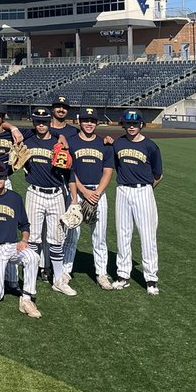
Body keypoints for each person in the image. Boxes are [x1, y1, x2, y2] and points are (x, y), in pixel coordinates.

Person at [19, 107, 76, 297]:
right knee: (33, 238)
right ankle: (30, 275)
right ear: (33, 122)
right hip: (34, 192)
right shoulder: (27, 139)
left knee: (56, 238)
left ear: (49, 122)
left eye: (44, 121)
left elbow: (69, 173)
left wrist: (74, 198)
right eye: (37, 121)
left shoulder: (58, 142)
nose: (40, 124)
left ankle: (58, 279)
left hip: (56, 193)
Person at [0, 163, 41, 317]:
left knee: (32, 256)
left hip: (12, 247)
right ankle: (0, 283)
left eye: (1, 176)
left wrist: (24, 240)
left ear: (6, 177)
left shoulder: (15, 198)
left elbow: (24, 224)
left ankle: (26, 299)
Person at [111, 110, 162, 295]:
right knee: (122, 233)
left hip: (143, 190)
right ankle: (123, 275)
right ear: (123, 124)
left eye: (135, 123)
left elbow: (158, 175)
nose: (131, 126)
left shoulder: (150, 146)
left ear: (141, 124)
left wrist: (146, 190)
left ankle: (151, 278)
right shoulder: (118, 143)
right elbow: (116, 166)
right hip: (123, 190)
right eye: (128, 123)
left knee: (147, 235)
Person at [64, 107, 115, 289]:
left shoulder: (105, 144)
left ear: (97, 123)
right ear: (79, 122)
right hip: (77, 193)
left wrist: (97, 193)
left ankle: (101, 274)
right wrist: (84, 192)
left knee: (99, 237)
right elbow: (69, 170)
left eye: (92, 121)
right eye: (85, 120)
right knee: (72, 236)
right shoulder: (71, 142)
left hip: (98, 194)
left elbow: (108, 171)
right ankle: (65, 272)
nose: (89, 123)